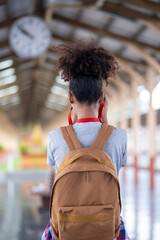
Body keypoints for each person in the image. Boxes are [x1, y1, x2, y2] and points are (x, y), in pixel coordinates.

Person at [41, 39, 129, 240]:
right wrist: (105, 123)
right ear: (102, 98)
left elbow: (56, 169)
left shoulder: (55, 137)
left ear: (71, 98)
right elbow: (117, 166)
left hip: (65, 228)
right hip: (107, 227)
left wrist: (69, 130)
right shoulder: (120, 136)